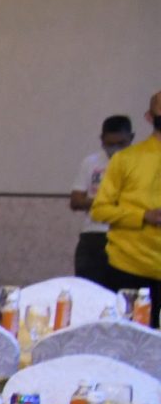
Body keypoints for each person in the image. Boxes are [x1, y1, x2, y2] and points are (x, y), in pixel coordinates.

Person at [89, 94, 161, 292]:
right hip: (130, 266)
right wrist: (143, 216)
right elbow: (100, 210)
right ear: (149, 117)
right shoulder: (125, 159)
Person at [69, 115, 136, 289]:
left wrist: (100, 203)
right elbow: (76, 200)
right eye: (110, 144)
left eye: (121, 143)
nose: (115, 149)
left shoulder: (140, 163)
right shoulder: (90, 162)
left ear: (131, 138)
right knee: (89, 289)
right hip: (93, 235)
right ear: (102, 140)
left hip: (126, 235)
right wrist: (108, 203)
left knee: (123, 291)